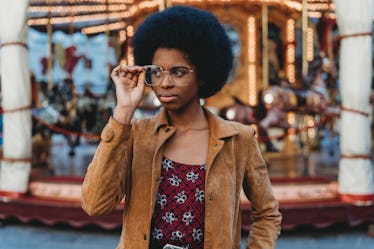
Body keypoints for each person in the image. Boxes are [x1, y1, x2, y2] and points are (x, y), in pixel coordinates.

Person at [81, 5, 281, 249]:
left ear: (203, 74)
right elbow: (94, 204)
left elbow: (267, 214)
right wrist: (123, 113)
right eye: (156, 72)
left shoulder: (239, 139)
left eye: (178, 72)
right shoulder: (136, 134)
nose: (165, 83)